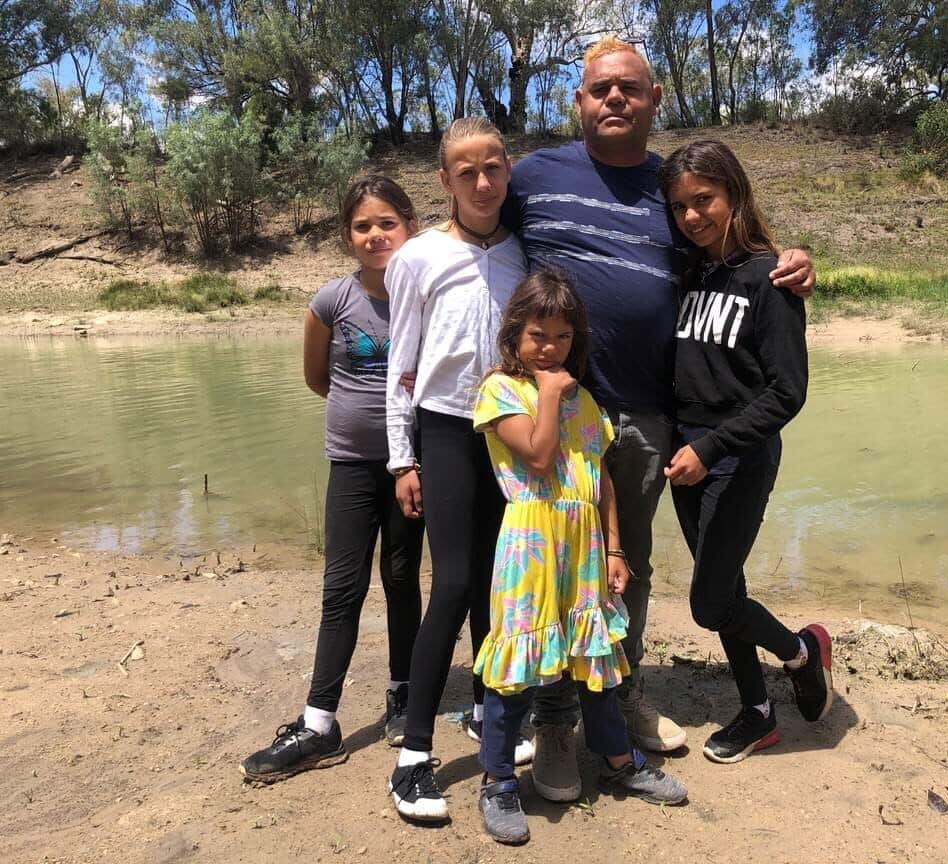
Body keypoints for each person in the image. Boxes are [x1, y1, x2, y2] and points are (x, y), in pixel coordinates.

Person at [501, 36, 816, 800]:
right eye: (598, 89)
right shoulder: (533, 174)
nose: (613, 99)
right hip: (557, 410)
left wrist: (794, 259)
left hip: (648, 416)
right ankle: (547, 721)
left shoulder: (671, 184)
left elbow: (728, 256)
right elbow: (475, 231)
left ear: (653, 98)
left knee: (626, 566)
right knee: (546, 562)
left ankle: (622, 693)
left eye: (628, 89)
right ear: (577, 101)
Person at [472, 271, 688, 844]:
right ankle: (496, 781)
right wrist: (546, 392)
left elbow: (601, 482)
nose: (549, 347)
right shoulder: (499, 390)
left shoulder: (587, 402)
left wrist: (615, 547)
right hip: (530, 543)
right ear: (514, 333)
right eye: (538, 334)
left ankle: (618, 763)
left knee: (595, 656)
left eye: (563, 337)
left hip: (585, 544)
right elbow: (539, 459)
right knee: (516, 665)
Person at [240, 174, 426, 783]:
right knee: (341, 588)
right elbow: (318, 379)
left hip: (412, 467)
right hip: (349, 462)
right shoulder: (330, 302)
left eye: (387, 222)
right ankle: (320, 721)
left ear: (410, 225)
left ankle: (402, 690)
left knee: (402, 578)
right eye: (362, 225)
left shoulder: (427, 296)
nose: (376, 235)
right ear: (348, 236)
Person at [657, 139, 833, 763]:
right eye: (679, 206)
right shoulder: (686, 272)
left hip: (737, 454)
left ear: (734, 193)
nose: (692, 216)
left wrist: (710, 446)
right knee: (728, 584)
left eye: (703, 200)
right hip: (688, 457)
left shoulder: (771, 279)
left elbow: (789, 393)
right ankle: (758, 711)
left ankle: (801, 652)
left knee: (709, 603)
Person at [384, 117, 532, 822]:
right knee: (454, 582)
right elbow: (401, 365)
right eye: (465, 172)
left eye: (493, 168)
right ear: (443, 181)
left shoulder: (521, 251)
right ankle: (413, 755)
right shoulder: (416, 257)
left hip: (508, 431)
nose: (481, 182)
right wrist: (400, 456)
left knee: (500, 580)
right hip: (444, 428)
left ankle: (483, 709)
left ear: (509, 171)